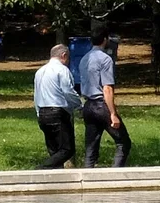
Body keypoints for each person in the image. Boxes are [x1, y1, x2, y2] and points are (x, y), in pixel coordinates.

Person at [79, 27, 131, 168]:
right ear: (105, 40)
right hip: (101, 105)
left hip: (88, 106)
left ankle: (87, 177)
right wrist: (113, 114)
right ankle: (115, 174)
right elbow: (107, 88)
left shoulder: (84, 59)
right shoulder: (105, 59)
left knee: (91, 147)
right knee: (123, 142)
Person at [35, 44, 81, 169]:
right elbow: (68, 91)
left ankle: (55, 179)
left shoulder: (39, 72)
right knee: (67, 149)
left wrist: (39, 113)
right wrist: (79, 105)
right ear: (64, 55)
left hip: (43, 112)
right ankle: (41, 169)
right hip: (57, 113)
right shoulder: (62, 70)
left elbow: (36, 95)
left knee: (54, 152)